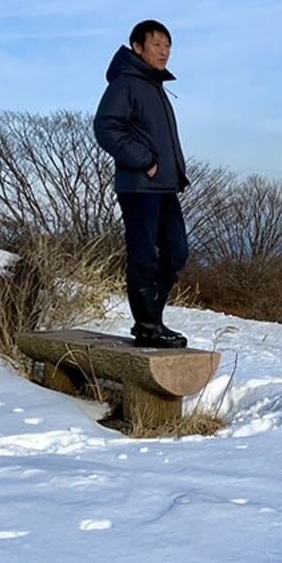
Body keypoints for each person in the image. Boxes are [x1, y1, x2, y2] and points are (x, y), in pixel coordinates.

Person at [93, 19, 191, 348]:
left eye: (167, 45)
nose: (164, 51)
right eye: (156, 44)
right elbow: (106, 127)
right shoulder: (127, 83)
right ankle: (148, 325)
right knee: (144, 256)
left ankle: (151, 320)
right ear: (137, 47)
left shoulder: (153, 84)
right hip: (138, 185)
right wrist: (144, 160)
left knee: (177, 253)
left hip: (163, 186)